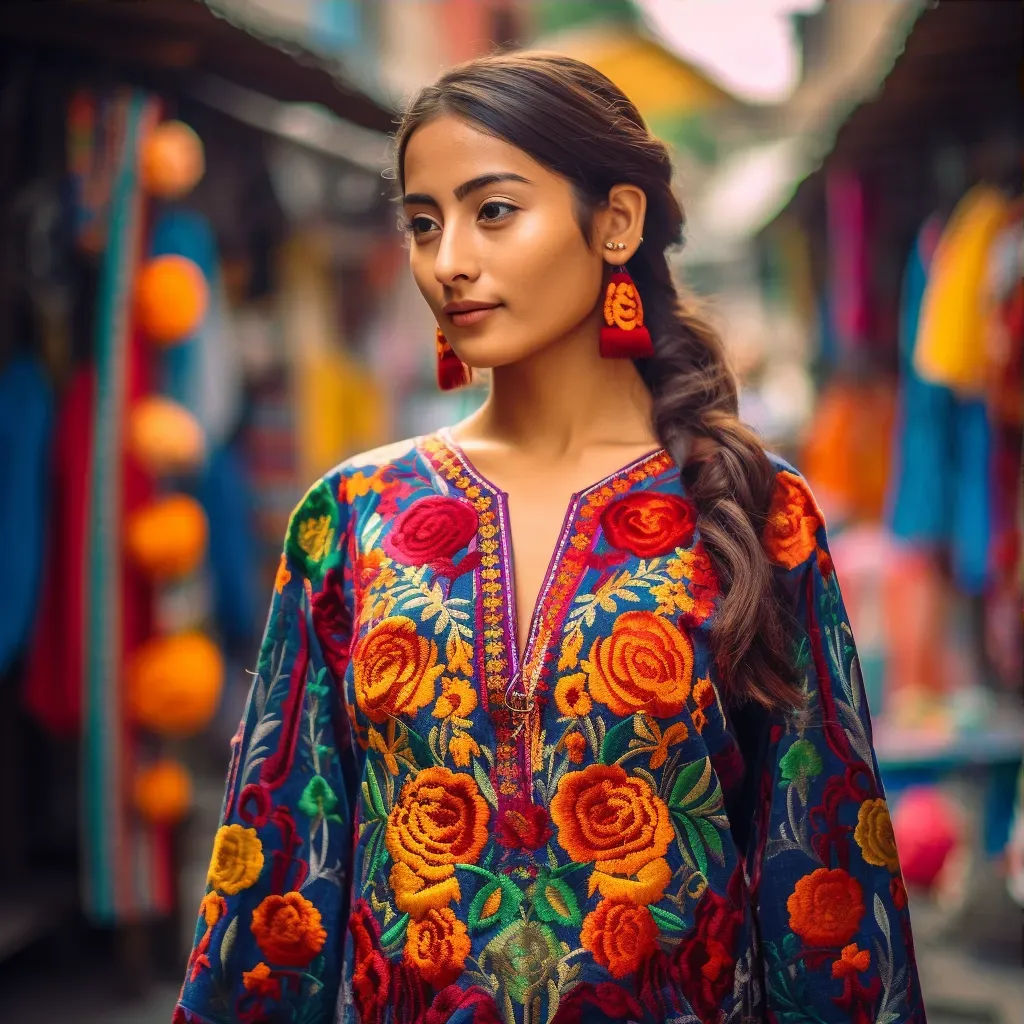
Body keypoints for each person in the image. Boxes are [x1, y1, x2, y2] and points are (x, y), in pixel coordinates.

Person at [174, 52, 925, 1024]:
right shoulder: (351, 519)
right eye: (422, 222)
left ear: (615, 220)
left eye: (493, 211)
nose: (447, 260)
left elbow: (823, 876)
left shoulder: (749, 509)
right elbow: (274, 867)